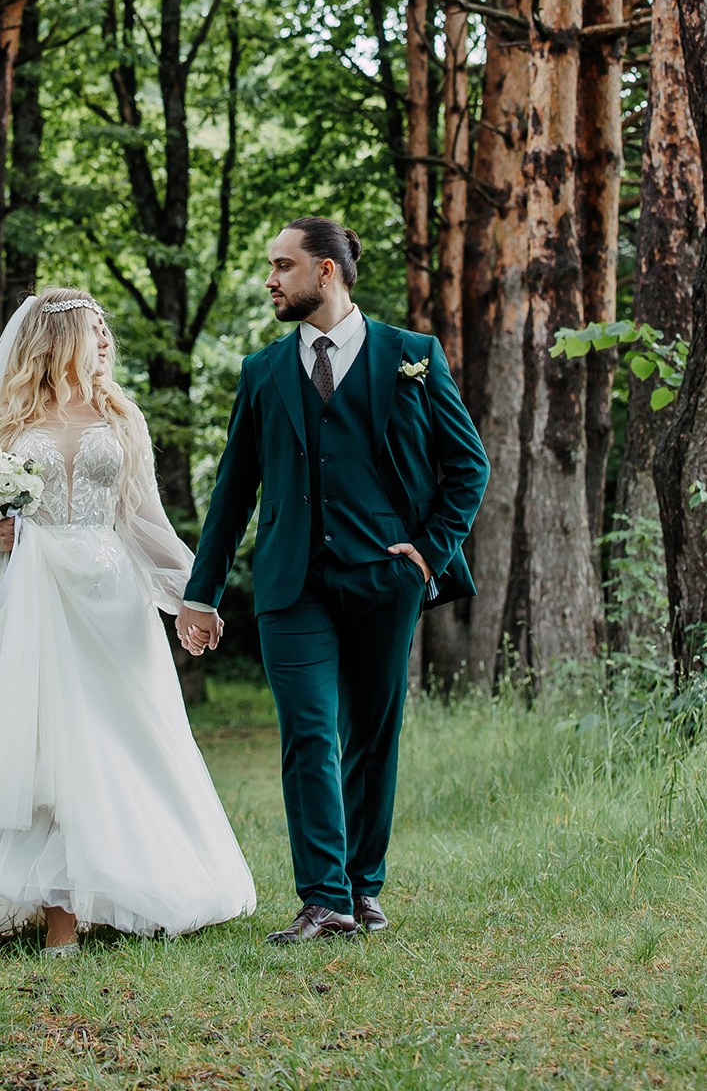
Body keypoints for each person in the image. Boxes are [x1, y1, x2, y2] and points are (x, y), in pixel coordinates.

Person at [0, 288, 255, 951]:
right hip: (29, 601)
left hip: (109, 602)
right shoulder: (10, 422)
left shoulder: (122, 417)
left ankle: (106, 890)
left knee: (113, 744)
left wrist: (196, 594)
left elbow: (142, 521)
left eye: (107, 328)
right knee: (39, 747)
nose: (105, 339)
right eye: (94, 328)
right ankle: (52, 919)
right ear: (60, 339)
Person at [177, 218, 489, 944]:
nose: (270, 279)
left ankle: (363, 887)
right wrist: (202, 593)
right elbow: (232, 493)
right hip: (293, 585)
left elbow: (468, 465)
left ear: (326, 273)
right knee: (310, 734)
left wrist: (430, 552)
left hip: (387, 578)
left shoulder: (412, 356)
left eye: (282, 266)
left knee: (374, 736)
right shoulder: (261, 373)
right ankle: (324, 898)